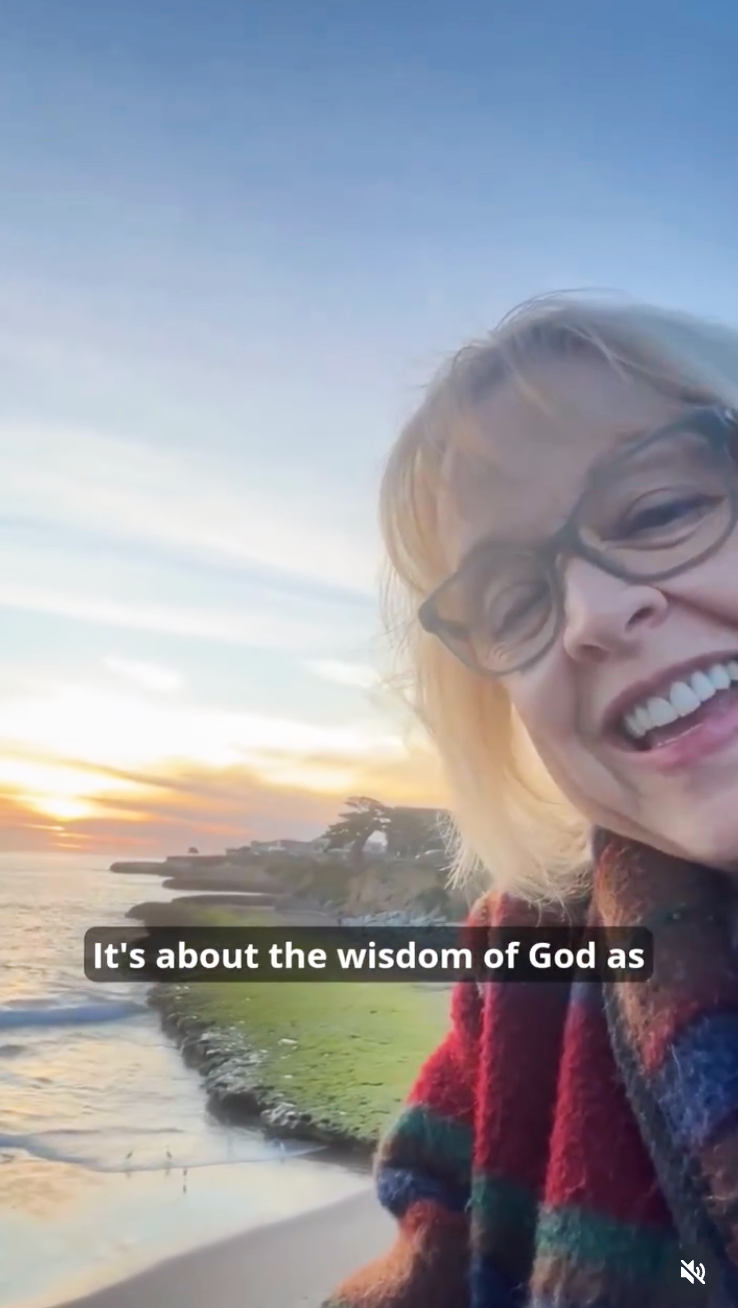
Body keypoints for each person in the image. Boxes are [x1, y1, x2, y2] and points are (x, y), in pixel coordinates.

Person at [322, 293, 738, 1308]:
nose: (591, 614)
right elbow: (440, 1250)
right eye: (515, 602)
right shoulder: (527, 968)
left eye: (661, 511)